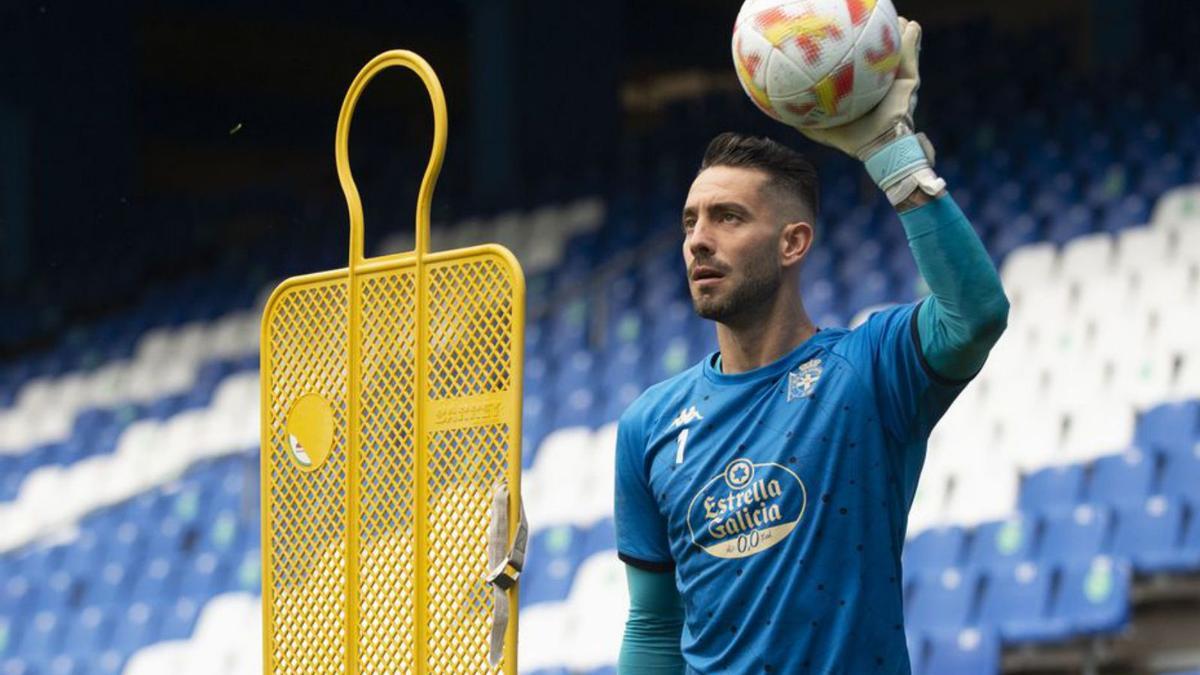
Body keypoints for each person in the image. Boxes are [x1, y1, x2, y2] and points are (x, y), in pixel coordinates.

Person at [614, 18, 1009, 673]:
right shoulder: (649, 424)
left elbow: (976, 315)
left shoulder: (868, 370)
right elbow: (655, 625)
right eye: (690, 220)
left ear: (793, 242)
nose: (698, 239)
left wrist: (894, 155)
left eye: (728, 217)